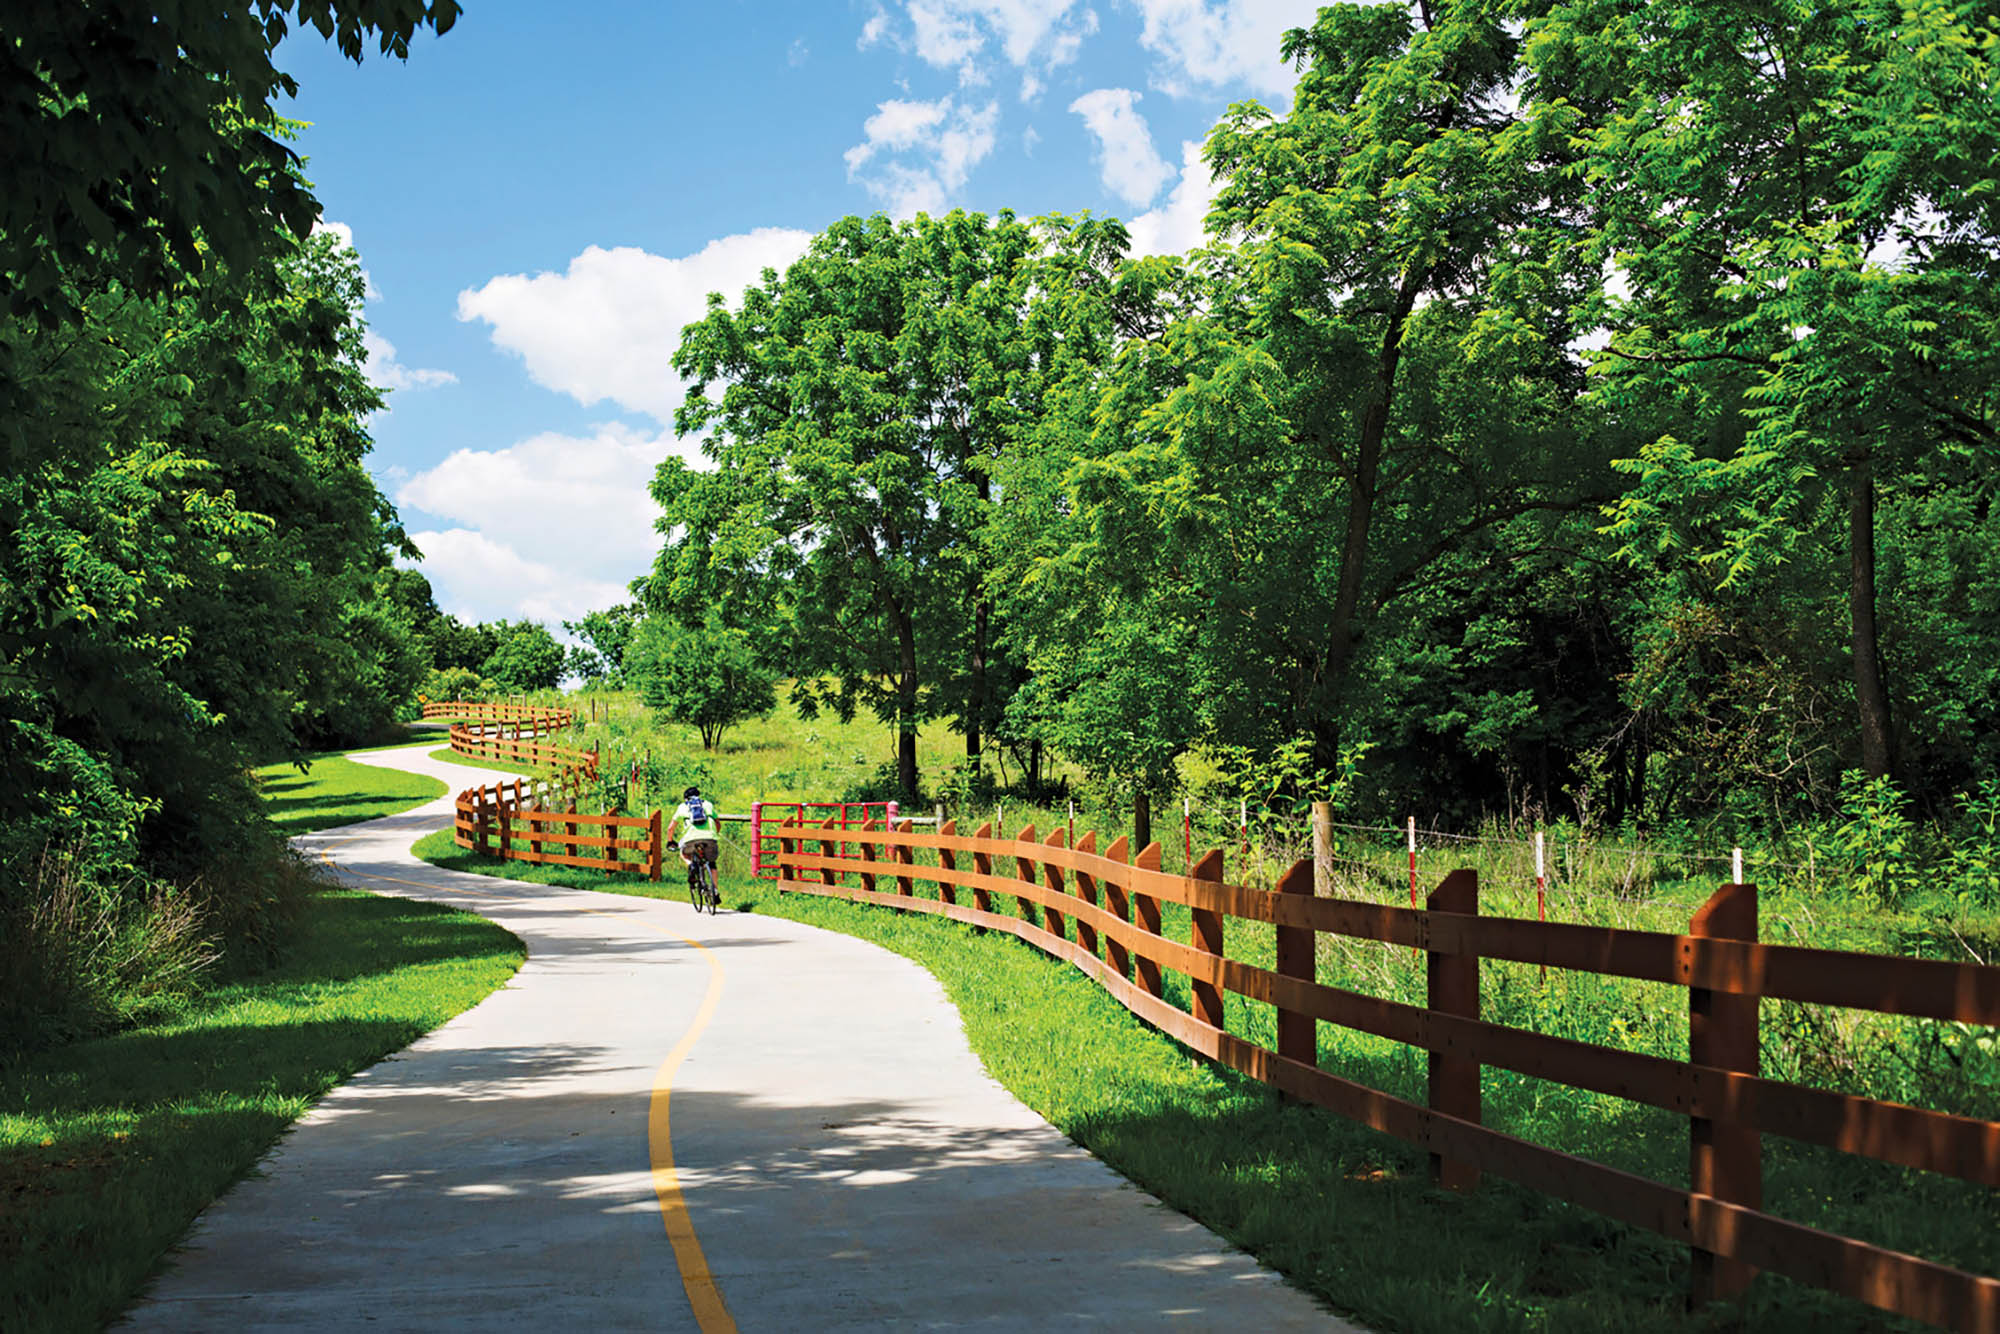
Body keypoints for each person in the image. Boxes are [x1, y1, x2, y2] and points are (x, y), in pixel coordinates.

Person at [669, 785, 721, 891]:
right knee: (712, 864)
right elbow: (718, 824)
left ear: (686, 798)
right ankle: (715, 891)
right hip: (710, 838)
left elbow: (670, 828)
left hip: (690, 840)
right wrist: (714, 835)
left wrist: (670, 841)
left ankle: (691, 865)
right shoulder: (708, 804)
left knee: (683, 852)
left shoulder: (682, 807)